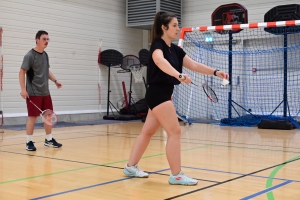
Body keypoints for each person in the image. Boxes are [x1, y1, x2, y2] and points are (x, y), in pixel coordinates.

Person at [123, 11, 229, 185]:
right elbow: (159, 61)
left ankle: (130, 166)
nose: (178, 28)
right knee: (174, 131)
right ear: (164, 27)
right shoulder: (158, 45)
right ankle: (176, 175)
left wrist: (216, 72)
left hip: (163, 94)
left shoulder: (176, 50)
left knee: (148, 132)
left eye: (178, 25)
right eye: (174, 25)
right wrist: (179, 75)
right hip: (158, 93)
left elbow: (194, 65)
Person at [19, 30, 62, 151]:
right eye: (44, 39)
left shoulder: (45, 55)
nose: (46, 41)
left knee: (48, 117)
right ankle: (29, 142)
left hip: (45, 92)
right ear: (37, 40)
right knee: (32, 117)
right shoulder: (30, 55)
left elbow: (46, 70)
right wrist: (23, 89)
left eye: (48, 39)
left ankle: (49, 140)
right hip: (33, 93)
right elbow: (22, 72)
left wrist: (55, 80)